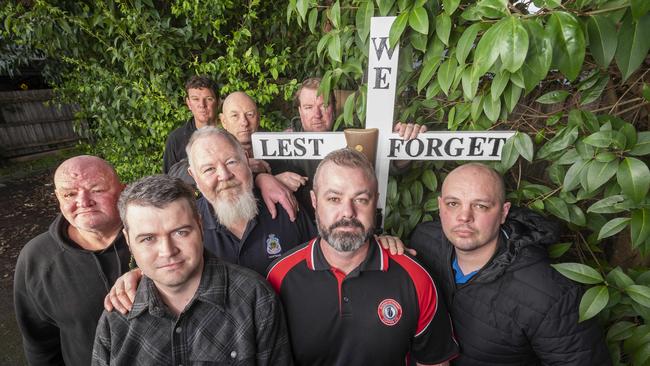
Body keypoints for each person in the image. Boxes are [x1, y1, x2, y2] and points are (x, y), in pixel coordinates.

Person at [266, 148, 459, 365]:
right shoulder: (278, 277)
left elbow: (434, 362)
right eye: (334, 198)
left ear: (375, 201)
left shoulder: (416, 277)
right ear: (314, 200)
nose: (348, 212)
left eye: (361, 199)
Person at [409, 163, 611, 365]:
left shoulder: (550, 295)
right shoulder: (423, 242)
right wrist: (385, 244)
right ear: (440, 205)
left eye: (480, 206)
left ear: (504, 212)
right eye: (453, 203)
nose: (464, 217)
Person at [91, 175, 292, 365]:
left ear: (200, 226)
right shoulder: (116, 319)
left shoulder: (255, 298)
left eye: (180, 232)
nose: (167, 251)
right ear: (128, 240)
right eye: (148, 239)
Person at [14, 155, 131, 365]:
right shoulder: (36, 258)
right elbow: (39, 343)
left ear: (123, 189)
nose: (84, 202)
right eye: (69, 194)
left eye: (97, 190)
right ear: (58, 198)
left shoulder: (157, 237)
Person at [270, 77, 427, 221]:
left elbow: (386, 162)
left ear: (334, 108)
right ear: (300, 111)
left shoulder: (352, 137)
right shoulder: (281, 144)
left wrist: (405, 140)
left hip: (345, 224)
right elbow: (253, 181)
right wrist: (273, 180)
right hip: (299, 226)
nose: (316, 114)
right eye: (308, 107)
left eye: (323, 106)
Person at [162, 75, 219, 173]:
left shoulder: (232, 132)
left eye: (209, 99)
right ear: (188, 103)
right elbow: (168, 181)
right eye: (195, 99)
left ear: (218, 102)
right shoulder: (176, 140)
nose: (202, 105)